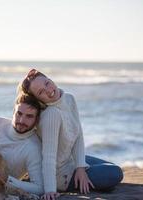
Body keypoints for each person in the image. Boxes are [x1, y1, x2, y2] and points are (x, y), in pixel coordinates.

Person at [18, 69, 123, 200]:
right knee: (115, 173)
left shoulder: (69, 99)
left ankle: (90, 178)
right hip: (60, 174)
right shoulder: (51, 115)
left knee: (111, 167)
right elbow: (49, 157)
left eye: (47, 83)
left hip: (70, 160)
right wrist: (50, 190)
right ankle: (71, 183)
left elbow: (78, 135)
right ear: (39, 100)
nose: (48, 90)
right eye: (41, 92)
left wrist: (80, 167)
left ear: (50, 79)